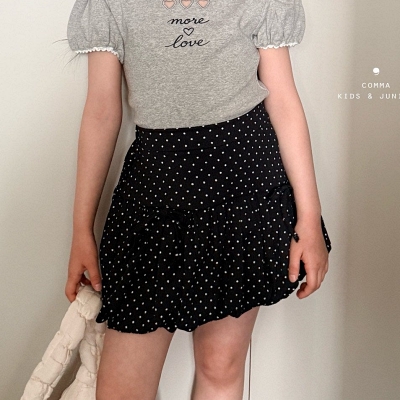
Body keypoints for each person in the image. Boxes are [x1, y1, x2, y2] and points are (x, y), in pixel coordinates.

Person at [64, 0, 332, 399]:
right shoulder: (110, 5)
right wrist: (81, 229)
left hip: (243, 197)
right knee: (122, 388)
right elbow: (102, 112)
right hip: (154, 198)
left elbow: (284, 102)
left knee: (220, 366)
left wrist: (309, 217)